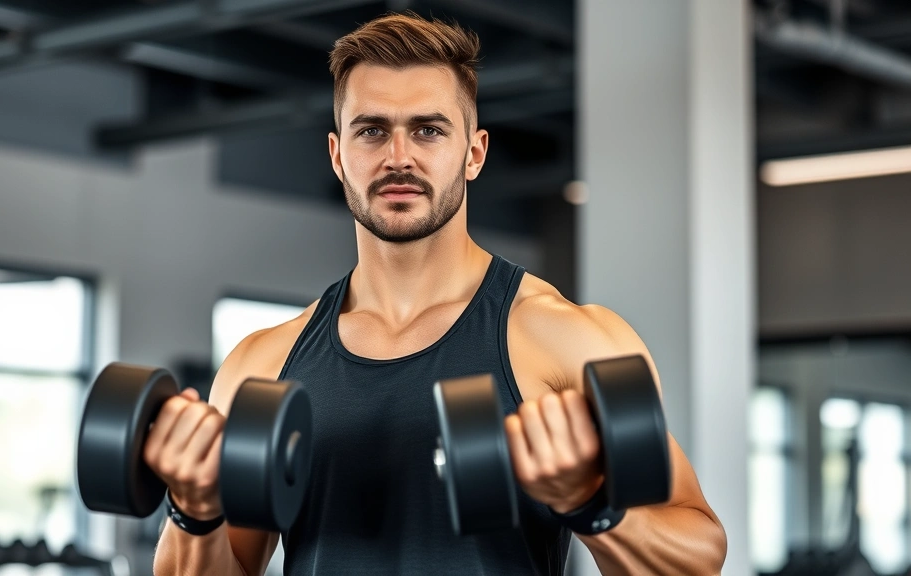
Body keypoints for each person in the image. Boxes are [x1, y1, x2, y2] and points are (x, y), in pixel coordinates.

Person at [146, 12, 727, 576]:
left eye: (428, 129)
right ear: (337, 155)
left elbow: (699, 555)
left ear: (473, 153)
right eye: (371, 130)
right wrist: (195, 511)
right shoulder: (263, 365)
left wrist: (591, 503)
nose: (399, 156)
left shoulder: (568, 339)